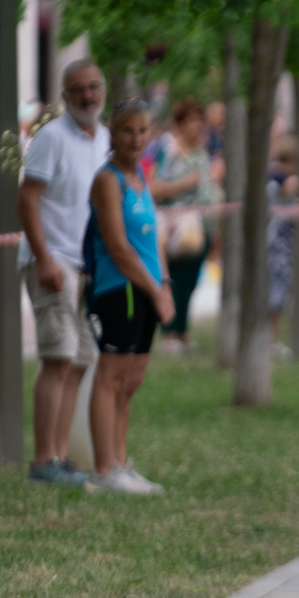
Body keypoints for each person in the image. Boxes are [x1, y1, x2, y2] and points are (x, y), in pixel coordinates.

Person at [15, 61, 110, 486]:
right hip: (53, 261)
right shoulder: (50, 137)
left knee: (82, 359)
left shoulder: (104, 138)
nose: (87, 96)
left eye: (93, 87)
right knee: (59, 357)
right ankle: (43, 461)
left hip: (89, 266)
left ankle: (61, 456)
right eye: (78, 89)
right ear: (64, 96)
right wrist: (44, 260)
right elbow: (27, 200)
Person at [84, 98, 175, 496]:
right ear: (113, 133)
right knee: (111, 378)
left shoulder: (139, 175)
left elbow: (153, 240)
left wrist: (164, 285)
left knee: (130, 382)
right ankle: (103, 469)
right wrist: (155, 291)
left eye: (142, 131)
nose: (136, 139)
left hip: (148, 289)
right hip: (121, 288)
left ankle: (120, 463)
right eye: (127, 131)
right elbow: (119, 247)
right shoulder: (108, 180)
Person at [149, 97, 220, 354]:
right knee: (174, 281)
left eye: (199, 120)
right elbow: (155, 189)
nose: (197, 125)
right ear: (180, 124)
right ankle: (169, 333)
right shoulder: (170, 153)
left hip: (201, 229)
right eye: (191, 120)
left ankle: (183, 333)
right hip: (177, 229)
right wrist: (185, 183)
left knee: (191, 282)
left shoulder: (201, 153)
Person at [267, 135, 299, 357]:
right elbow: (287, 190)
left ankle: (272, 339)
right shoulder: (280, 178)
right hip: (277, 243)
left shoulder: (272, 176)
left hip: (279, 242)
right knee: (276, 291)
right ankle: (272, 340)